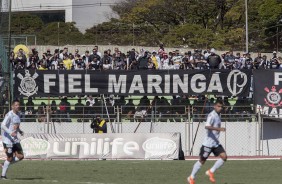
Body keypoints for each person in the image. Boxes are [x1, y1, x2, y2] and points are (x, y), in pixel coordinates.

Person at [187, 100, 227, 184]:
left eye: (221, 107)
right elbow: (207, 126)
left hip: (215, 143)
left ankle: (211, 171)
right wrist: (219, 129)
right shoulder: (211, 115)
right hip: (208, 144)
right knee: (202, 161)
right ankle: (191, 177)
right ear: (214, 106)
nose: (220, 108)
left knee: (224, 157)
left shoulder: (218, 115)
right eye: (218, 106)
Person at [1, 100, 24, 179]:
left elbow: (16, 126)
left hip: (15, 139)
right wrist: (10, 132)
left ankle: (5, 164)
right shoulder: (9, 115)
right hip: (7, 140)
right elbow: (2, 125)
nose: (18, 106)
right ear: (12, 106)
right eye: (16, 105)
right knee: (10, 158)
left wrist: (19, 131)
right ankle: (3, 176)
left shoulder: (18, 114)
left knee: (21, 156)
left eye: (18, 105)